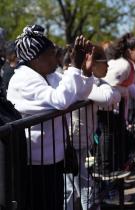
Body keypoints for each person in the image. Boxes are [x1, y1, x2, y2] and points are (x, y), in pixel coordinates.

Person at [7, 25, 94, 210]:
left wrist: (84, 72)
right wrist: (74, 67)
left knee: (55, 203)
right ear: (36, 58)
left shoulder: (50, 75)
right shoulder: (23, 79)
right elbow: (61, 100)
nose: (57, 58)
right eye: (51, 54)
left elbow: (80, 95)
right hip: (34, 164)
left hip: (54, 158)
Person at [64, 45, 121, 210]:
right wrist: (109, 91)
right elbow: (107, 97)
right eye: (104, 62)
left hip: (81, 140)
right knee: (76, 186)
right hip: (73, 141)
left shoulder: (93, 81)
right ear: (92, 63)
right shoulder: (80, 80)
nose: (108, 66)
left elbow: (113, 95)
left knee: (77, 184)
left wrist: (110, 91)